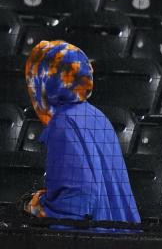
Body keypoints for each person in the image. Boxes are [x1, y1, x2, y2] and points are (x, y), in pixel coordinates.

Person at [23, 40, 140, 229]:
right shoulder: (94, 114)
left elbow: (76, 202)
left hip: (91, 239)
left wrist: (36, 207)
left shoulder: (63, 124)